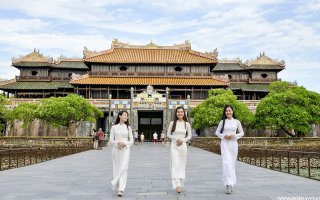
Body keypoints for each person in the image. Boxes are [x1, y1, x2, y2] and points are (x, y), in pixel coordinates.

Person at [215, 105, 244, 194]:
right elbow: (217, 132)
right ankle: (228, 184)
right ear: (225, 112)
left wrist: (234, 135)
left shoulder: (237, 122)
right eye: (226, 111)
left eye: (230, 111)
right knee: (226, 163)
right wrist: (224, 136)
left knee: (232, 164)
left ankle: (231, 183)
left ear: (232, 111)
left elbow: (242, 133)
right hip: (225, 144)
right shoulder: (222, 122)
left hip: (233, 144)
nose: (228, 112)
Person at [167, 106, 192, 193]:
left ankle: (181, 184)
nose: (180, 113)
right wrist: (176, 139)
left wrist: (183, 140)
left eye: (181, 112)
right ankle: (177, 184)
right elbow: (168, 134)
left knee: (181, 164)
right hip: (174, 146)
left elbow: (189, 136)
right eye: (178, 112)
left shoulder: (187, 124)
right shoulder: (172, 123)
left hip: (183, 146)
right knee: (175, 164)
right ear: (176, 113)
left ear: (184, 113)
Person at [109, 111, 134, 197]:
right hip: (116, 150)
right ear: (120, 116)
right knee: (116, 167)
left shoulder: (128, 128)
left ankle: (121, 189)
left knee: (124, 168)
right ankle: (117, 182)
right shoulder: (114, 127)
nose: (126, 117)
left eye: (127, 115)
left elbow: (132, 140)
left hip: (125, 149)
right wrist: (117, 144)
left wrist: (125, 144)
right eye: (125, 115)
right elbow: (111, 140)